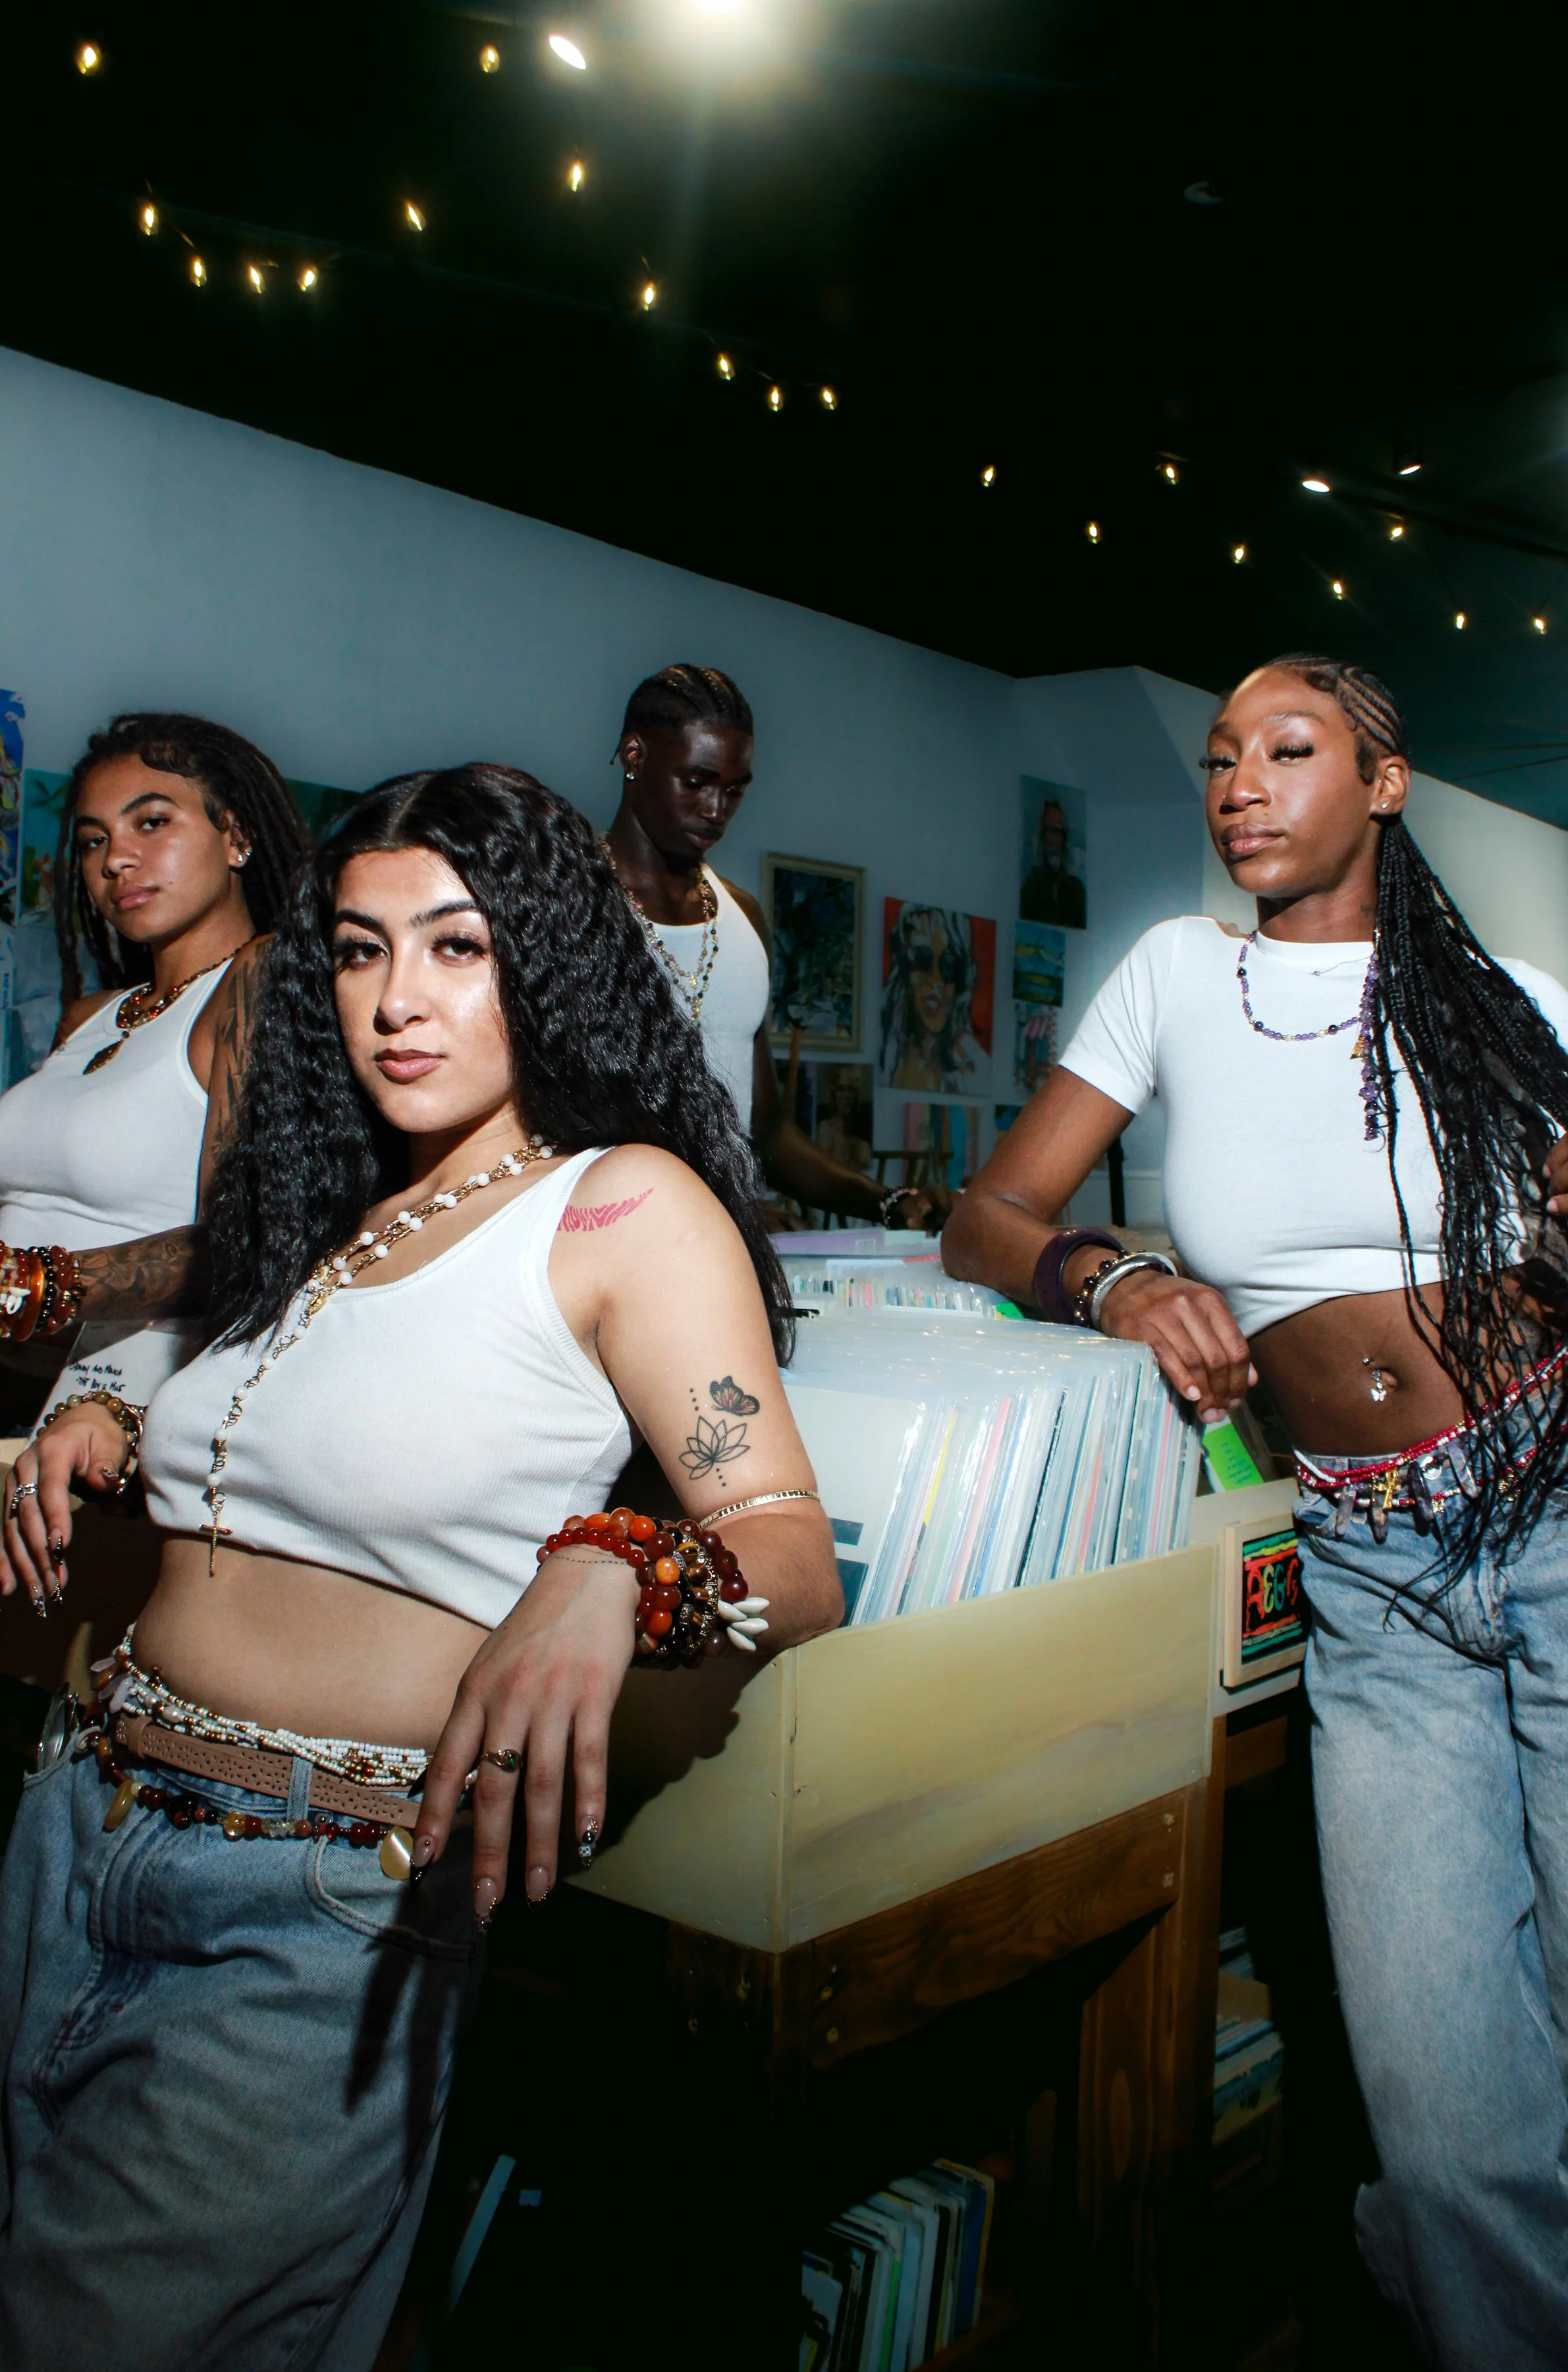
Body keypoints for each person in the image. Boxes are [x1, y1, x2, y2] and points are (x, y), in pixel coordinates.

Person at [0, 762, 841, 2367]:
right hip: (75, 1820)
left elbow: (788, 1551)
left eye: (456, 947)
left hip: (315, 1900)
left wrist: (610, 1561)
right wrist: (100, 1398)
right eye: (361, 948)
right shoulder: (331, 1199)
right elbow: (226, 1374)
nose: (398, 998)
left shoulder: (617, 1209)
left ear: (546, 959)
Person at [944, 655, 1568, 2371]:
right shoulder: (1174, 975)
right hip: (1366, 1566)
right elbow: (988, 1214)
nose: (1236, 782)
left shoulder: (1509, 996)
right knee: (1433, 2099)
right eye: (1216, 757)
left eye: (1285, 748)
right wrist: (1104, 1273)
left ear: (1381, 782)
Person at [0, 714, 308, 1495]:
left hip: (104, 1398)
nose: (118, 860)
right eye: (94, 840)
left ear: (236, 836)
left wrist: (30, 1288)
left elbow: (244, 1243)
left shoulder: (259, 979)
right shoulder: (91, 1017)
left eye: (153, 821)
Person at [603, 663, 944, 1229]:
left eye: (734, 790)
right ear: (635, 755)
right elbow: (555, 1134)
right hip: (605, 1249)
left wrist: (885, 1201)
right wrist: (711, 1214)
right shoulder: (568, 905)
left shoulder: (743, 918)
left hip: (721, 1251)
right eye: (696, 782)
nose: (716, 810)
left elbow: (767, 1135)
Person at [878, 902, 987, 1092]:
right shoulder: (885, 1055)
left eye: (949, 965)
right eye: (922, 959)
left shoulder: (974, 1068)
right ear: (905, 968)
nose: (936, 980)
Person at [1018, 795, 1086, 929]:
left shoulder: (1076, 888)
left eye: (1058, 832)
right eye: (1049, 831)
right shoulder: (1032, 883)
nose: (1054, 840)